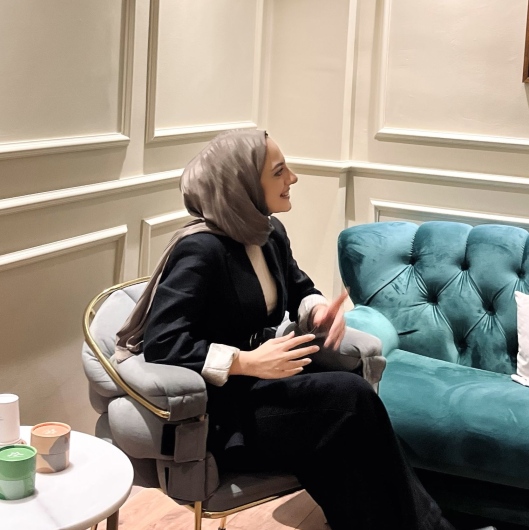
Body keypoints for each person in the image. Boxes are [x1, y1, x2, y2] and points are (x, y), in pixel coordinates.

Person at [114, 129, 495, 530]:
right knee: (350, 397)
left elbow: (298, 286)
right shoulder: (201, 249)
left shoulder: (268, 232)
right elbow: (163, 340)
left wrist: (316, 309)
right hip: (221, 411)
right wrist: (243, 362)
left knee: (350, 416)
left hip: (260, 388)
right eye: (279, 171)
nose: (292, 178)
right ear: (244, 185)